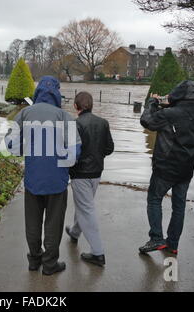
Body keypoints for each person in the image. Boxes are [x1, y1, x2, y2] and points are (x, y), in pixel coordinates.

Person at [5, 76, 81, 275]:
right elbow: (75, 150)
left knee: (32, 221)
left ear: (37, 92)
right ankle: (49, 265)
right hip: (57, 181)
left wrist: (28, 150)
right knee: (53, 225)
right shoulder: (65, 117)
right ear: (57, 93)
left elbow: (11, 145)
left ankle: (34, 260)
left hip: (33, 179)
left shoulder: (24, 114)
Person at [139, 80, 194, 255]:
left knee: (154, 199)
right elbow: (176, 119)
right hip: (186, 169)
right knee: (179, 205)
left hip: (166, 168)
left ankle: (156, 239)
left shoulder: (169, 114)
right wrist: (166, 106)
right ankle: (173, 244)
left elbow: (147, 121)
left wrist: (152, 103)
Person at [65, 92, 114, 267]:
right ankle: (75, 232)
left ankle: (98, 253)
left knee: (86, 209)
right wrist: (97, 155)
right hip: (97, 172)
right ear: (91, 105)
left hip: (80, 174)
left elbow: (71, 152)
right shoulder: (103, 123)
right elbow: (109, 148)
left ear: (76, 107)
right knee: (85, 205)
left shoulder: (74, 124)